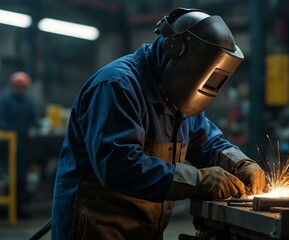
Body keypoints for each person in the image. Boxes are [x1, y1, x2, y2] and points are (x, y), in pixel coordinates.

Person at [51, 8, 265, 240]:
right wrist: (198, 180)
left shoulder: (179, 98)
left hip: (146, 230)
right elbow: (118, 167)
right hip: (98, 229)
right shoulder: (116, 87)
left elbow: (208, 143)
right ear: (173, 49)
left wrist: (240, 163)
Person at [0, 71, 36, 218]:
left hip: (22, 146)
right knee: (8, 177)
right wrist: (14, 133)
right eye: (17, 86)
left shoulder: (27, 102)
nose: (19, 89)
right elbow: (2, 121)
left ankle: (19, 209)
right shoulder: (5, 101)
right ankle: (5, 211)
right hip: (7, 146)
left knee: (21, 177)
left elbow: (32, 119)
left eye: (22, 86)